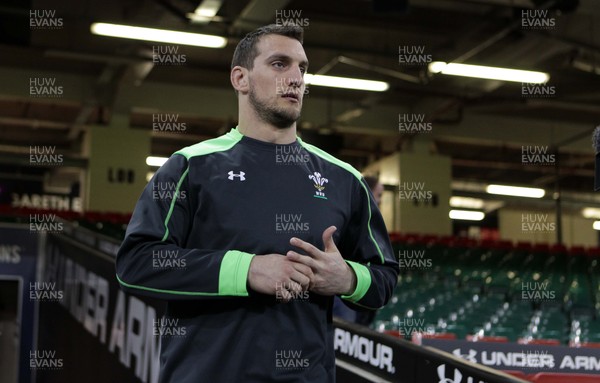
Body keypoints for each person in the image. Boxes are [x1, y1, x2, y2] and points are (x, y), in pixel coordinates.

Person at [116, 24, 398, 383]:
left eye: (302, 68)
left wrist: (347, 279)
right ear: (240, 78)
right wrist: (246, 270)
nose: (295, 78)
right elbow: (136, 264)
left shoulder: (345, 180)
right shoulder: (191, 166)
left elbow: (384, 277)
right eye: (280, 64)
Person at [333, 175, 385, 326]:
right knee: (344, 336)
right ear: (366, 191)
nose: (380, 200)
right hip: (343, 291)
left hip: (358, 288)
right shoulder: (351, 216)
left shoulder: (372, 221)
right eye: (378, 195)